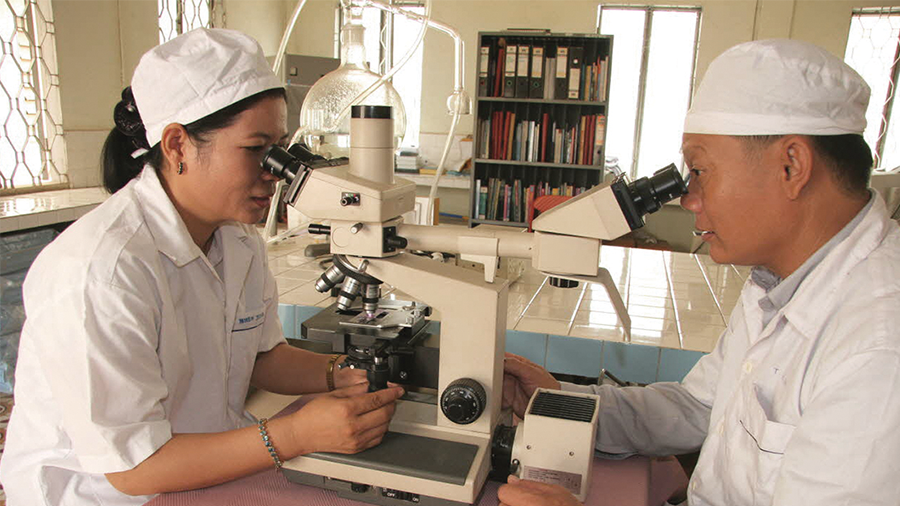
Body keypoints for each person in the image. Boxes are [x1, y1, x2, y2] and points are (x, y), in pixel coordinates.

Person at [0, 28, 404, 506]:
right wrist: (294, 434)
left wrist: (346, 372)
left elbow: (261, 358)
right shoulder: (102, 271)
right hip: (107, 496)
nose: (277, 172)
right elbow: (133, 468)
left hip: (208, 466)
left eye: (279, 148)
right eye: (257, 150)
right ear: (177, 146)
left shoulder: (237, 240)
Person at [500, 38, 900, 506]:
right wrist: (559, 400)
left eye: (699, 171)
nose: (688, 199)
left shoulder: (877, 351)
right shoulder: (778, 281)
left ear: (791, 166)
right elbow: (699, 406)